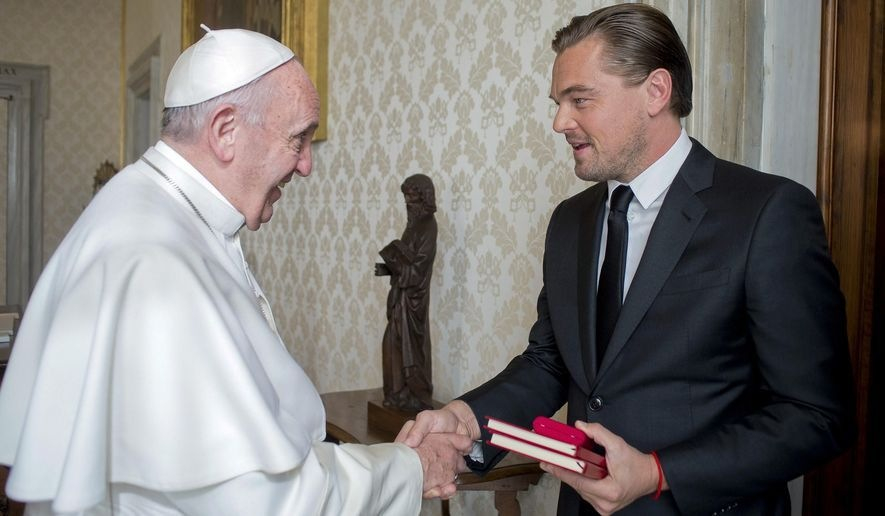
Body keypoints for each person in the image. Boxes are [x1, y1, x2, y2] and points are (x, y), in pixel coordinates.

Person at [399, 4, 856, 515]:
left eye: (580, 99)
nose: (559, 122)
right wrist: (466, 419)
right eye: (558, 102)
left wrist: (658, 473)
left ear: (656, 91)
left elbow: (816, 416)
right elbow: (550, 361)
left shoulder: (767, 212)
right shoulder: (570, 221)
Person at [0, 27, 470, 515]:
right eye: (298, 138)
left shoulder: (151, 211)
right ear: (226, 131)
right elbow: (266, 500)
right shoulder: (155, 263)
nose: (306, 165)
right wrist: (411, 468)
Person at [375, 174, 438, 412]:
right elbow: (405, 262)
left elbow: (419, 268)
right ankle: (397, 394)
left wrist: (398, 265)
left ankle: (417, 396)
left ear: (425, 199)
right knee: (392, 345)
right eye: (406, 199)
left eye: (413, 199)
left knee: (413, 349)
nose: (409, 204)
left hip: (414, 301)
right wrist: (388, 268)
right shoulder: (412, 226)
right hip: (400, 298)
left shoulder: (428, 226)